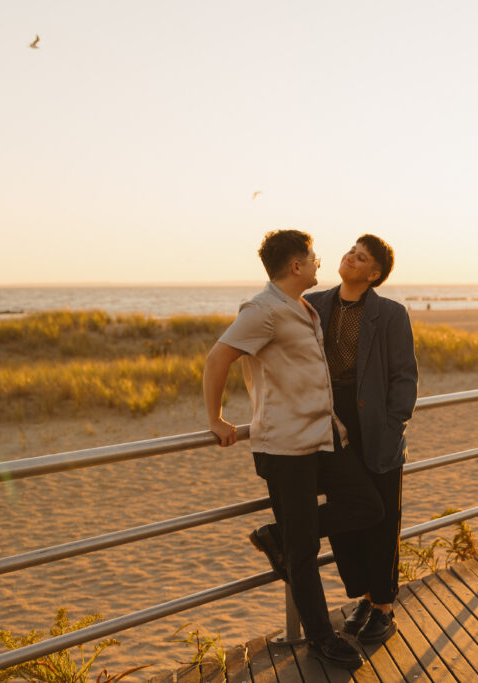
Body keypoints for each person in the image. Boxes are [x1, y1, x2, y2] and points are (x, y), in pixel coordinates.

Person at [203, 229, 383, 670]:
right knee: (303, 554)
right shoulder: (262, 311)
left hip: (325, 437)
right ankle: (321, 638)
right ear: (296, 266)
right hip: (285, 448)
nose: (321, 262)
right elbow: (217, 358)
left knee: (368, 506)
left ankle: (279, 537)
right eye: (314, 257)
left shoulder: (305, 307)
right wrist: (216, 419)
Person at [305, 234, 418, 645]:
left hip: (375, 425)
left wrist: (393, 427)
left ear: (374, 274)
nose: (351, 257)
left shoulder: (390, 314)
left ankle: (384, 607)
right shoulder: (314, 304)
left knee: (383, 517)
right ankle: (366, 597)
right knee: (346, 515)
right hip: (329, 423)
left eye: (362, 257)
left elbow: (404, 376)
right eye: (351, 250)